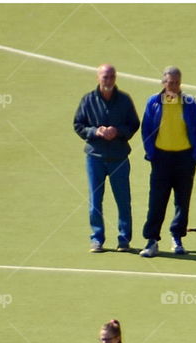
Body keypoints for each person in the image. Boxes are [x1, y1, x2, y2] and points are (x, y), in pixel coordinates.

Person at [138, 66, 196, 258]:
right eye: (170, 82)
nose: (173, 86)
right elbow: (146, 129)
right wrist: (151, 153)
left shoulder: (190, 103)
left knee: (182, 201)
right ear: (163, 83)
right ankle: (152, 240)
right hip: (161, 158)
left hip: (184, 158)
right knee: (157, 201)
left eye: (177, 82)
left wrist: (195, 154)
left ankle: (177, 237)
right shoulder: (153, 102)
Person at [73, 64, 140, 253]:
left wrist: (118, 131)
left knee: (123, 200)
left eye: (111, 77)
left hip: (119, 158)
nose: (108, 80)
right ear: (98, 78)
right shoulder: (88, 100)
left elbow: (134, 124)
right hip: (95, 158)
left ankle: (124, 239)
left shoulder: (125, 100)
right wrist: (96, 131)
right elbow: (78, 124)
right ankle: (97, 239)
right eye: (105, 77)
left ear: (115, 78)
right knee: (95, 200)